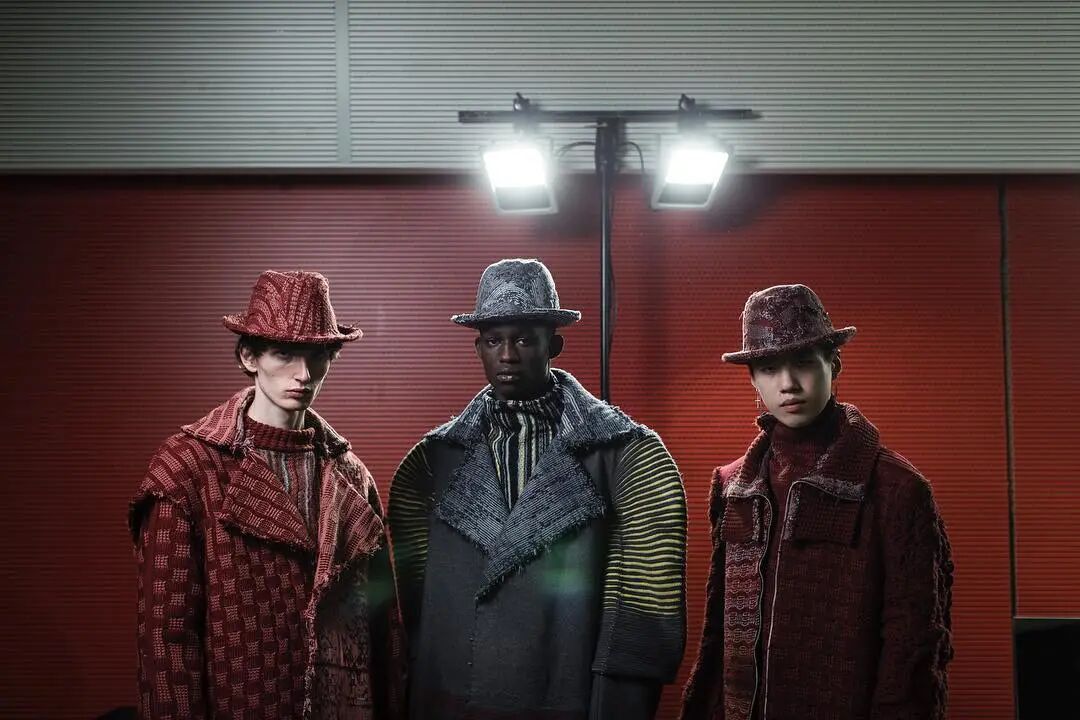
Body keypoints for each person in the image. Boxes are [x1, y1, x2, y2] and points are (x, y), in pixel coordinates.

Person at [389, 258, 687, 720]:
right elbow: (416, 614)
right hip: (452, 698)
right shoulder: (429, 464)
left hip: (571, 698)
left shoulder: (628, 457)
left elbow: (645, 616)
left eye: (525, 339)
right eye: (494, 340)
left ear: (555, 344)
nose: (508, 355)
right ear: (478, 348)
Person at [130, 270, 404, 719]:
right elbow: (167, 639)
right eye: (284, 354)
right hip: (242, 700)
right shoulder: (187, 469)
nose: (303, 374)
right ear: (249, 356)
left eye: (317, 355)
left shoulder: (351, 476)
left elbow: (384, 629)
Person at [681, 284, 954, 720]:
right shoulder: (734, 485)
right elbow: (718, 636)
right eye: (769, 368)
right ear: (753, 379)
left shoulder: (896, 489)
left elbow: (914, 646)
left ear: (834, 363)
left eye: (804, 362)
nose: (788, 384)